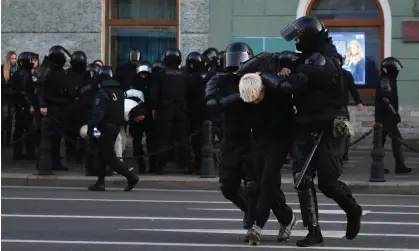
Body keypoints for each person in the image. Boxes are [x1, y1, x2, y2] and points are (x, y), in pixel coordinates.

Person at [260, 16, 362, 247]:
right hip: (306, 124)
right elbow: (296, 62)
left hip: (327, 127)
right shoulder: (309, 57)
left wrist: (264, 77)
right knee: (301, 179)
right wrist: (281, 63)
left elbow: (289, 86)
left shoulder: (322, 62)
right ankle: (313, 231)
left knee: (327, 182)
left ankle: (352, 209)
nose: (296, 41)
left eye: (299, 37)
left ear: (309, 37)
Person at [237, 54, 299, 245]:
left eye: (257, 98)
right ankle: (288, 219)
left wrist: (286, 70)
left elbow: (291, 61)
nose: (255, 102)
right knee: (267, 185)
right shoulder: (249, 90)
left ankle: (258, 225)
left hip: (279, 141)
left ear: (263, 88)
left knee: (267, 182)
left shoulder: (279, 92)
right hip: (258, 141)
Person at [205, 42, 252, 238]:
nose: (237, 64)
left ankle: (275, 218)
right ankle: (251, 210)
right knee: (228, 186)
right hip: (231, 138)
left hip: (254, 138)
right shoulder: (220, 79)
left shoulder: (256, 78)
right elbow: (211, 102)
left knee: (257, 185)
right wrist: (237, 96)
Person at [87, 66, 139, 191]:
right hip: (116, 127)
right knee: (101, 155)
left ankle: (131, 176)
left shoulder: (103, 92)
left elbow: (99, 112)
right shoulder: (119, 91)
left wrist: (92, 127)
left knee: (109, 157)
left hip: (105, 128)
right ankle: (100, 182)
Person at [150, 48, 191, 174]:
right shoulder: (184, 74)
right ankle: (185, 164)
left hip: (165, 109)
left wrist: (155, 107)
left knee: (163, 139)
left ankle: (161, 166)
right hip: (181, 109)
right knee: (183, 138)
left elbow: (154, 93)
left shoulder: (160, 73)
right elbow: (189, 93)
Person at [37, 45, 72, 174]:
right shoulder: (47, 69)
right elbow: (41, 89)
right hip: (50, 107)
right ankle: (44, 165)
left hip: (60, 107)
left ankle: (56, 162)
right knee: (48, 137)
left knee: (57, 137)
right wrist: (43, 105)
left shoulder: (57, 69)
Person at [375, 57, 412, 174]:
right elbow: (386, 100)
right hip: (386, 117)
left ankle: (379, 166)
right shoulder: (386, 80)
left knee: (380, 142)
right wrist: (395, 114)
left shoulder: (388, 79)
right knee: (396, 140)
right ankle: (399, 166)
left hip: (385, 116)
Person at [71, 63, 101, 175]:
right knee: (93, 140)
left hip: (83, 114)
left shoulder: (82, 84)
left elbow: (76, 97)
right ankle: (91, 165)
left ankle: (82, 160)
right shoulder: (97, 85)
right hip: (91, 115)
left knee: (84, 138)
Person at [129, 60, 156, 173]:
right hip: (145, 115)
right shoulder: (151, 81)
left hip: (140, 115)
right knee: (145, 142)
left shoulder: (135, 80)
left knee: (143, 141)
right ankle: (148, 165)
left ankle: (144, 165)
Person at [337, 54, 363, 161]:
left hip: (342, 108)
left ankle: (344, 154)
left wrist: (359, 101)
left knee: (346, 131)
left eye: (338, 61)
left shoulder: (346, 74)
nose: (336, 63)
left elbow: (353, 89)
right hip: (330, 107)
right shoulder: (328, 74)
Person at [11, 52, 37, 160]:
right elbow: (24, 92)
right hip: (24, 106)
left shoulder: (22, 72)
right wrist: (30, 104)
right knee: (28, 129)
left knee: (19, 129)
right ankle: (29, 153)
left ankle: (18, 153)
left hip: (20, 105)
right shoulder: (24, 74)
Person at [185, 52, 206, 174]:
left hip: (193, 113)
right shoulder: (207, 76)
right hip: (206, 112)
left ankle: (197, 164)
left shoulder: (190, 78)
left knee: (196, 142)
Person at [65, 50, 88, 163]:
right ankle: (74, 152)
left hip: (77, 107)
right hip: (75, 107)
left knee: (75, 133)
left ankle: (75, 152)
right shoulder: (70, 73)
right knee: (73, 132)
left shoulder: (69, 73)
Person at [1, 51, 18, 148]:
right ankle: (2, 141)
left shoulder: (15, 70)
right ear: (8, 59)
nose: (14, 60)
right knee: (4, 119)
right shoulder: (2, 69)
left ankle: (7, 141)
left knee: (10, 120)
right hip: (4, 99)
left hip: (12, 98)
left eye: (15, 58)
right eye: (12, 58)